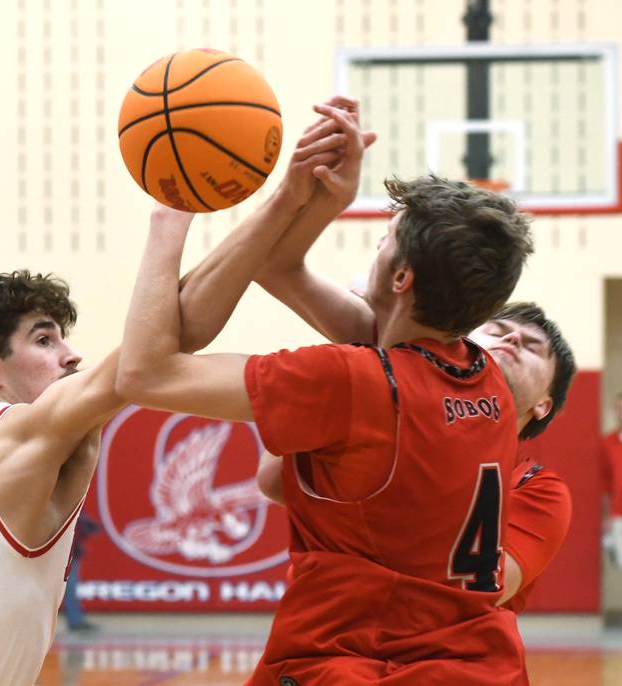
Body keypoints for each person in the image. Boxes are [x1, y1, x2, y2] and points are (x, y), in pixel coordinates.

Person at [116, 97, 536, 685]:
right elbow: (280, 267)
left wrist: (171, 221)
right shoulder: (479, 375)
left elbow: (144, 374)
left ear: (400, 278)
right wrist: (312, 197)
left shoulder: (355, 380)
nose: (378, 244)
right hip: (479, 665)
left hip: (364, 665)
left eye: (385, 238)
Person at [0, 264, 265, 685]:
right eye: (44, 340)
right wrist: (175, 217)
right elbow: (156, 348)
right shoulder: (7, 431)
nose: (72, 355)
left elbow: (152, 350)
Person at [255, 300, 576, 614]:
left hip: (442, 656)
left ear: (544, 405)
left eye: (533, 347)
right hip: (323, 642)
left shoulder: (539, 490)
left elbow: (482, 590)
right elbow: (273, 480)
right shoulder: (381, 409)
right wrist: (367, 366)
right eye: (497, 330)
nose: (512, 339)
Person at [601, 392, 622, 567]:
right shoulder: (607, 443)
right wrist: (605, 517)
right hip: (617, 515)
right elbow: (605, 483)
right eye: (619, 409)